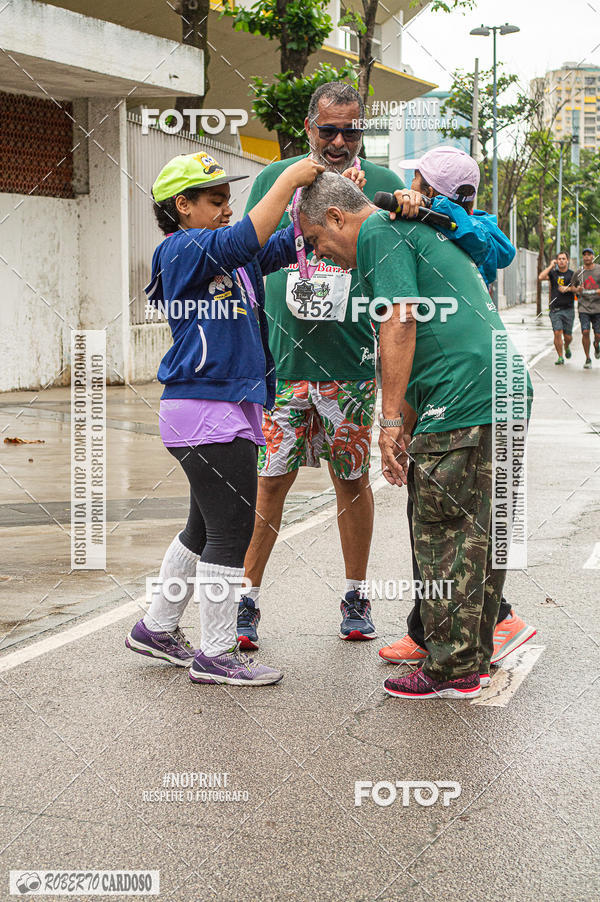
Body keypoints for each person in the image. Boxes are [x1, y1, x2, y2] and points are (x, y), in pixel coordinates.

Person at [298, 172, 533, 699]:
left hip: (463, 399)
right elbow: (416, 339)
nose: (319, 254)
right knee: (479, 536)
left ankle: (452, 670)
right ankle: (470, 661)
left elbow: (400, 322)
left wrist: (387, 424)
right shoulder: (405, 230)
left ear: (336, 217)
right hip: (503, 393)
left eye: (315, 240)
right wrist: (402, 424)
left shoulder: (379, 233)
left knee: (442, 535)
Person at [125, 150, 324, 686]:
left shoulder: (226, 255)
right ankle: (216, 653)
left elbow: (275, 243)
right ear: (182, 206)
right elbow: (243, 239)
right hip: (206, 408)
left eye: (227, 200)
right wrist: (288, 177)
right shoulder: (180, 250)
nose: (226, 209)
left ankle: (156, 627)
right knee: (233, 531)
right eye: (215, 201)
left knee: (203, 527)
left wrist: (315, 202)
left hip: (220, 406)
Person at [237, 82, 406, 650]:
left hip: (351, 365)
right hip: (284, 367)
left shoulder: (380, 184)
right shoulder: (276, 177)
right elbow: (248, 251)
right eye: (328, 130)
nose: (339, 142)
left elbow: (398, 270)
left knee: (351, 481)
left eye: (350, 131)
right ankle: (245, 599)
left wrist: (370, 203)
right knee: (269, 483)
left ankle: (356, 595)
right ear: (309, 127)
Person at [376, 146, 536, 668]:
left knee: (447, 524)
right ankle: (438, 633)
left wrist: (434, 211)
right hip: (469, 380)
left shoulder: (462, 228)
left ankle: (469, 639)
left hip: (469, 386)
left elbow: (498, 250)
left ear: (426, 187)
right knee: (468, 518)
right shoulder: (434, 226)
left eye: (417, 182)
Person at [538, 252, 576, 365]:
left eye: (563, 259)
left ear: (567, 260)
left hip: (568, 309)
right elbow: (541, 277)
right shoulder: (553, 274)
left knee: (568, 336)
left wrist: (568, 289)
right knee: (557, 332)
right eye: (559, 259)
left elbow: (579, 288)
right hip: (555, 309)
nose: (561, 261)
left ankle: (567, 346)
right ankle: (560, 357)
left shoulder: (572, 274)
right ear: (556, 261)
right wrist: (551, 266)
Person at [572, 248, 600, 369]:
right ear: (583, 257)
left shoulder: (599, 270)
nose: (587, 257)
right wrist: (577, 289)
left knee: (598, 334)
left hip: (598, 308)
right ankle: (587, 358)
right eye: (585, 255)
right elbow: (572, 287)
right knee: (585, 332)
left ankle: (597, 345)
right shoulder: (579, 272)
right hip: (583, 307)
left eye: (589, 255)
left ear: (593, 256)